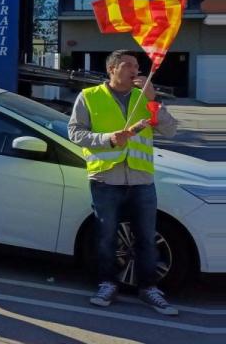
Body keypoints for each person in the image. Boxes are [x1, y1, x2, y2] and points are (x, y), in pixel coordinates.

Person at [68, 50, 179, 315]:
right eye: (128, 65)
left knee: (146, 237)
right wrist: (108, 139)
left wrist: (154, 102)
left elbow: (171, 130)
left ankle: (149, 288)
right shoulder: (89, 97)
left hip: (141, 179)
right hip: (106, 178)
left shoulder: (145, 97)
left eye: (137, 67)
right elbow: (75, 132)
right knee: (106, 237)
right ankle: (107, 284)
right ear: (112, 69)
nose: (135, 71)